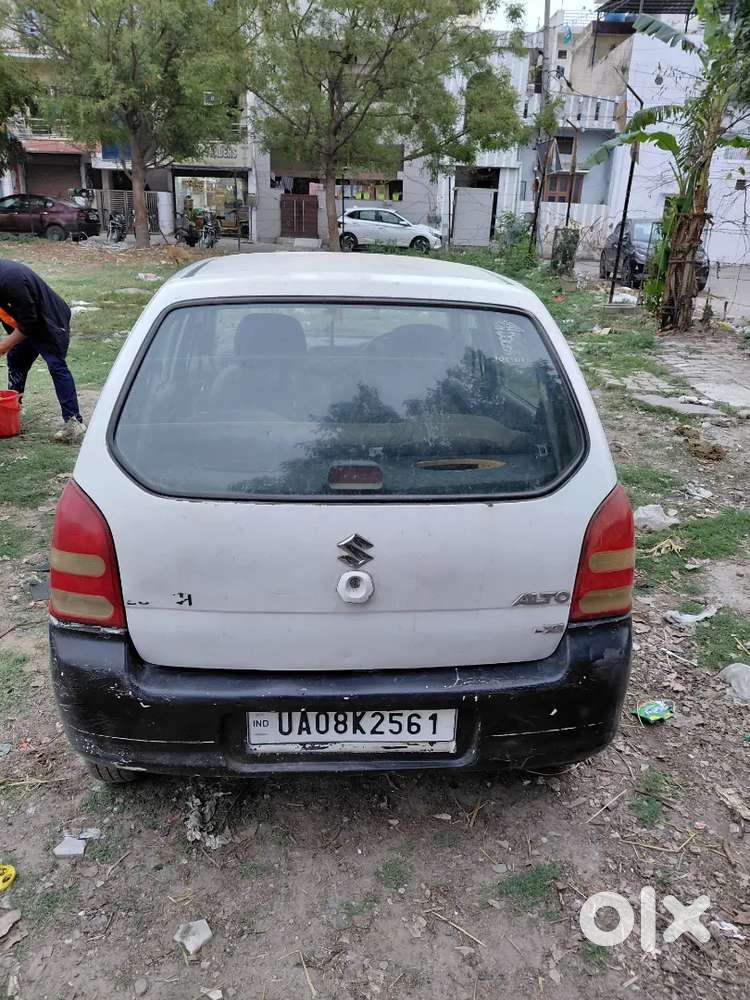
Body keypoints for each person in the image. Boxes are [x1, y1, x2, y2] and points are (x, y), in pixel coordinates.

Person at [0, 259, 85, 443]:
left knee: (56, 366)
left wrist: (5, 344)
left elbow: (30, 321)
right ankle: (10, 412)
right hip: (22, 323)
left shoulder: (11, 279)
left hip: (48, 321)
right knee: (16, 363)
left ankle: (73, 422)